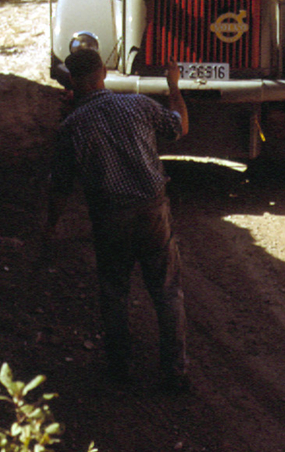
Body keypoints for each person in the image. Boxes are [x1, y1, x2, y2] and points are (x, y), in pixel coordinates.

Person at [44, 47, 190, 392]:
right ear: (105, 73)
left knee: (114, 292)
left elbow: (60, 186)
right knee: (167, 292)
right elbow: (178, 127)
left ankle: (120, 371)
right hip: (153, 211)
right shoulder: (137, 104)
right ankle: (176, 371)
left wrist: (51, 226)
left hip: (110, 217)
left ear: (71, 81)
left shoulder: (71, 127)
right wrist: (174, 87)